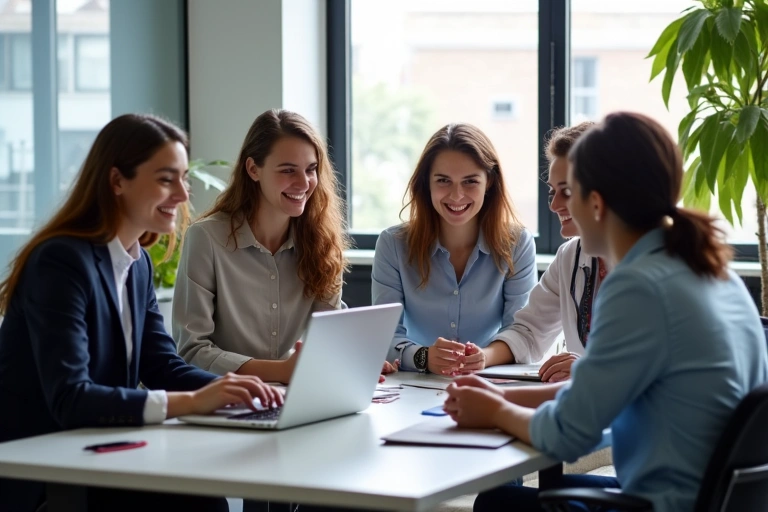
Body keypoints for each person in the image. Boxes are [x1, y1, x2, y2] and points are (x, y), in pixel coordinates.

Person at [443, 112, 768, 512]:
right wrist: (500, 394)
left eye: (570, 192)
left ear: (595, 203)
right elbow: (597, 392)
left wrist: (494, 410)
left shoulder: (639, 287)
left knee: (498, 504)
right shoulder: (711, 271)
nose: (561, 206)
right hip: (713, 498)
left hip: (666, 504)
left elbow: (567, 435)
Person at [0, 114, 283, 512]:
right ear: (117, 181)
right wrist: (193, 402)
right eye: (166, 179)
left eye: (184, 178)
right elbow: (71, 398)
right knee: (200, 505)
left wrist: (244, 396)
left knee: (203, 501)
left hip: (98, 450)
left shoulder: (137, 264)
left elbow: (161, 364)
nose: (183, 195)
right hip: (43, 471)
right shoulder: (61, 261)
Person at [173, 109, 354, 383]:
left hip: (295, 397)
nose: (304, 183)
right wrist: (280, 372)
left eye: (311, 169)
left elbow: (330, 338)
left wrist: (356, 361)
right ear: (253, 169)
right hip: (223, 401)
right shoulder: (206, 238)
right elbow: (190, 350)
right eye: (288, 170)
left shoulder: (323, 244)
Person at [372, 123, 537, 375]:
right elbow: (384, 337)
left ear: (489, 182)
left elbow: (522, 332)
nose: (457, 195)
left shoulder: (518, 244)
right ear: (427, 183)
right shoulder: (392, 244)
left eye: (470, 181)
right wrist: (424, 357)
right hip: (412, 387)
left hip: (490, 384)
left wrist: (484, 357)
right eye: (443, 181)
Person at [503, 122, 605, 382]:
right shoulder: (570, 256)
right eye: (552, 191)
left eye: (567, 192)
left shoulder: (658, 263)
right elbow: (529, 332)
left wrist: (589, 368)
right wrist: (480, 357)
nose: (554, 205)